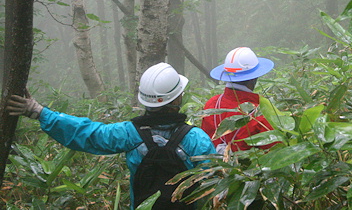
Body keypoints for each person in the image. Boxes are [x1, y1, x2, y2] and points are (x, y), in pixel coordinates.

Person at [7, 62, 216, 210]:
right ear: (177, 99)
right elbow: (213, 186)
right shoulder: (196, 139)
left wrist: (39, 112)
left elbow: (87, 133)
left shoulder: (129, 133)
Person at [201, 47, 276, 153]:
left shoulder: (212, 105)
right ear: (253, 78)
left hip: (213, 167)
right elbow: (274, 150)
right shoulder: (261, 113)